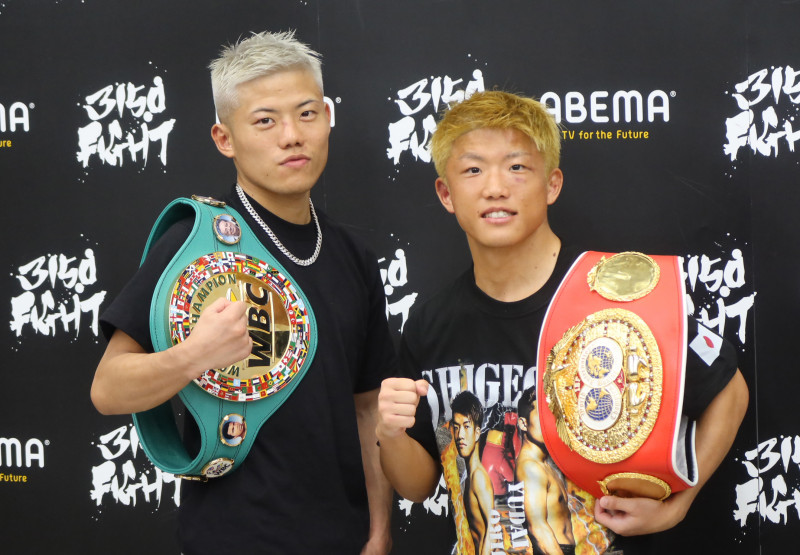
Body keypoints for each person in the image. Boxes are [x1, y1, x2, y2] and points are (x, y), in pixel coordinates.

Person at [376, 90, 749, 553]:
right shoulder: (430, 323)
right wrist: (390, 434)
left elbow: (730, 390)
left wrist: (679, 504)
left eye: (517, 167)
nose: (495, 187)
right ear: (446, 194)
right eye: (473, 170)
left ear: (551, 185)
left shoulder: (613, 295)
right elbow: (417, 486)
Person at [91, 31, 394, 554]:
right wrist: (193, 355)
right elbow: (108, 388)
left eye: (306, 114)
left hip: (343, 540)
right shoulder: (195, 243)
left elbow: (369, 410)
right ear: (224, 139)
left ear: (327, 117)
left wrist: (380, 531)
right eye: (265, 121)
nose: (292, 136)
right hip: (232, 539)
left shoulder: (354, 257)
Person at [516, 386, 574, 555]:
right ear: (523, 423)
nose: (549, 423)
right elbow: (538, 528)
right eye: (541, 417)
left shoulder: (545, 464)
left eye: (551, 415)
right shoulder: (530, 467)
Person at [450, 391, 494, 554]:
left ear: (477, 433)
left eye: (466, 426)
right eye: (456, 428)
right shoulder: (469, 477)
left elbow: (492, 529)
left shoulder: (478, 477)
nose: (460, 435)